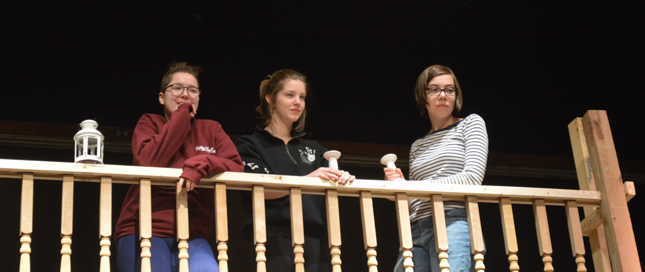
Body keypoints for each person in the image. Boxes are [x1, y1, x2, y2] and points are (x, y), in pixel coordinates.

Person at [114, 62, 244, 272]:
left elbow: (237, 167)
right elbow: (149, 162)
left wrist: (202, 163)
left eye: (192, 90)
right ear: (161, 97)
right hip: (144, 228)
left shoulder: (211, 128)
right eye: (177, 88)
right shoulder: (149, 123)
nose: (185, 94)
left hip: (193, 232)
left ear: (199, 98)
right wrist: (182, 115)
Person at [236, 69, 355, 272]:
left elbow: (332, 176)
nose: (297, 102)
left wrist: (343, 176)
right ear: (270, 99)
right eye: (289, 95)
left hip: (316, 237)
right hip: (272, 236)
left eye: (302, 97)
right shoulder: (250, 144)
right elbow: (258, 188)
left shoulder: (314, 148)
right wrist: (307, 179)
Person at [384, 64, 488, 272]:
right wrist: (400, 190)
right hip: (416, 227)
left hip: (453, 220)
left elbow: (472, 177)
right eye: (434, 89)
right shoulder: (418, 145)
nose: (442, 95)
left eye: (449, 89)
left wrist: (414, 187)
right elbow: (416, 198)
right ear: (423, 97)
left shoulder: (470, 123)